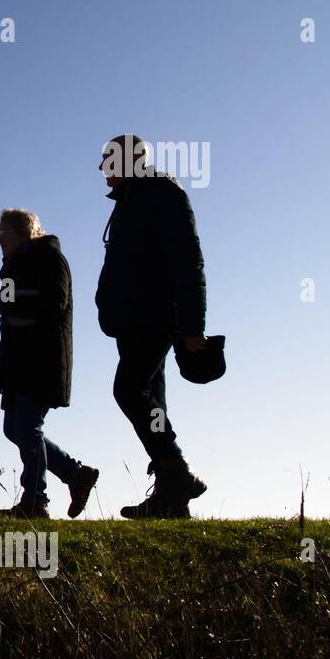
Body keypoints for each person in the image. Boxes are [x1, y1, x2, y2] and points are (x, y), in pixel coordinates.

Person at [95, 135, 208, 519]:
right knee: (150, 400)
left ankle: (176, 472)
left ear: (130, 160)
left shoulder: (161, 194)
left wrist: (192, 324)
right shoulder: (132, 199)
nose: (101, 168)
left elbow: (188, 259)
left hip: (153, 317)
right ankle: (172, 498)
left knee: (128, 389)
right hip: (134, 319)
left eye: (107, 159)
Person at [0, 208, 99, 519]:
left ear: (24, 232)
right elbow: (3, 307)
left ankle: (35, 501)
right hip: (17, 363)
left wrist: (16, 307)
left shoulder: (50, 259)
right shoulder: (12, 265)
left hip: (43, 360)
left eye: (5, 231)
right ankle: (76, 474)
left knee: (27, 425)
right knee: (14, 428)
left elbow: (55, 302)